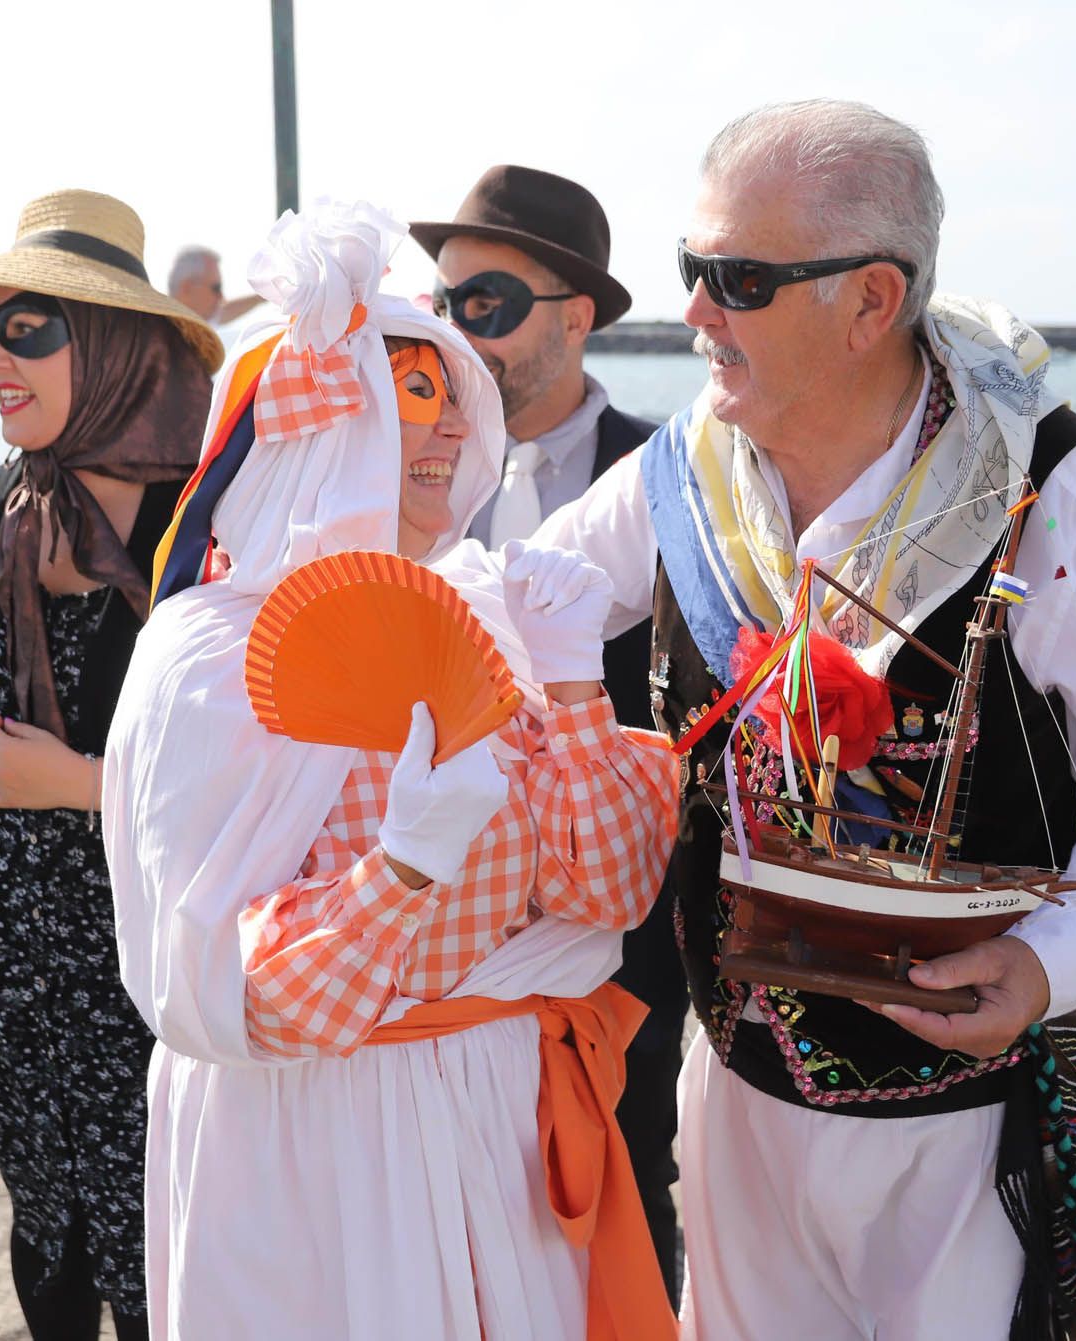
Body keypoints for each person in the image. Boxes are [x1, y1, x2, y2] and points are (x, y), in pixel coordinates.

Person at [534, 101, 1076, 1340]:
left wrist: (1048, 964)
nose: (693, 312)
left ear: (871, 301)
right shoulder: (683, 475)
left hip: (970, 1127)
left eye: (737, 279)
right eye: (689, 271)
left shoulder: (1056, 501)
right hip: (739, 1095)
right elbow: (520, 601)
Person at [104, 200, 680, 1340]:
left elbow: (605, 892)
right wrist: (404, 867)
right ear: (320, 429)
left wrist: (572, 689)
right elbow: (220, 992)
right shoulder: (208, 658)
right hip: (325, 1149)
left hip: (502, 1125)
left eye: (448, 400)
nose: (445, 434)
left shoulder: (489, 608)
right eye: (400, 399)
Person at [0, 191, 220, 1341]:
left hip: (153, 987)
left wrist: (83, 781)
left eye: (31, 332)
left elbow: (258, 764)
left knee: (168, 1259)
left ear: (112, 349)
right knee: (47, 1237)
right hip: (5, 980)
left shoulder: (210, 529)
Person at [411, 163, 688, 1302]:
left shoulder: (673, 479)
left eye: (486, 302)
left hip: (628, 924)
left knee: (633, 1172)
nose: (454, 334)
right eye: (441, 306)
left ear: (575, 316)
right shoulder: (407, 469)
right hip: (435, 924)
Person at [166, 244, 265, 326]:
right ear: (187, 287)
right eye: (216, 288)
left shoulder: (194, 323)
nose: (221, 296)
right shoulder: (162, 336)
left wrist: (264, 294)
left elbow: (226, 311)